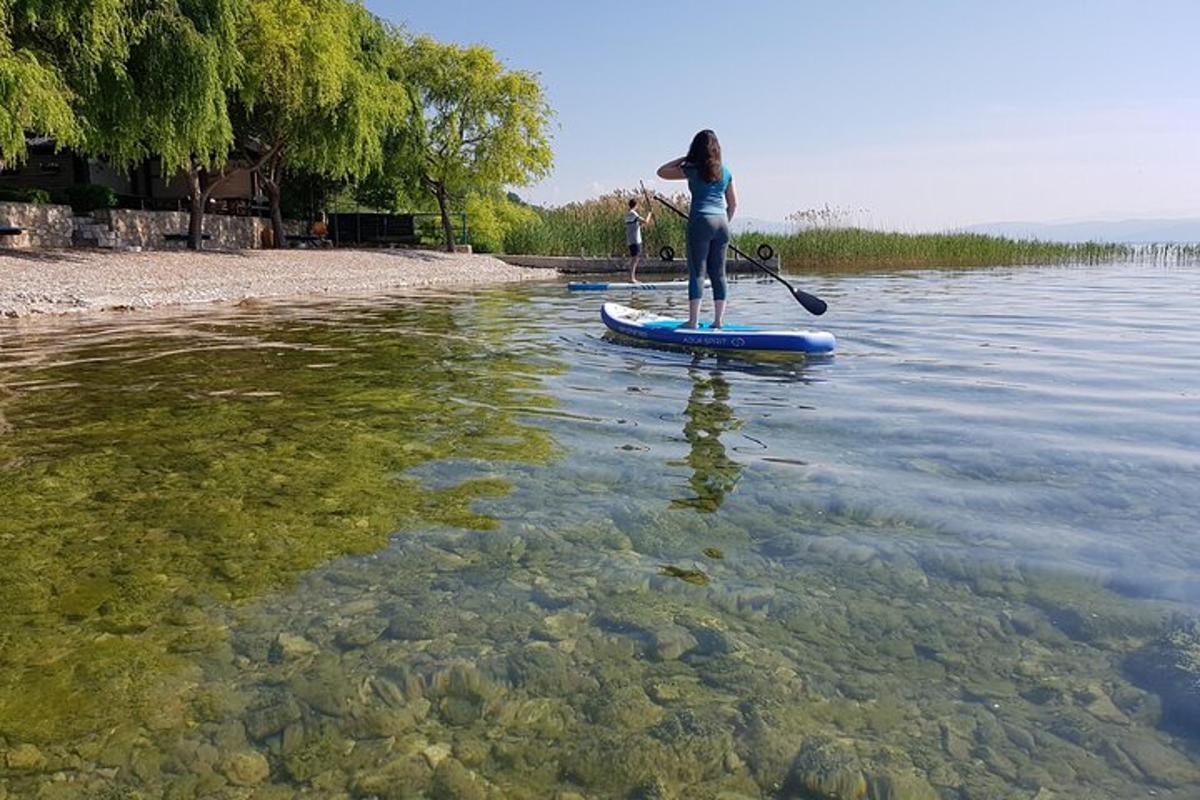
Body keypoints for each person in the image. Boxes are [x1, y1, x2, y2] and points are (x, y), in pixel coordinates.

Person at [656, 129, 737, 328]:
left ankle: (693, 322)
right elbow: (733, 204)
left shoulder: (692, 168)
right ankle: (718, 322)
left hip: (700, 220)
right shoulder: (726, 172)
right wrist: (723, 222)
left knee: (697, 273)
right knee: (719, 274)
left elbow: (662, 171)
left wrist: (687, 157)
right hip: (722, 223)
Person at [624, 197, 652, 282]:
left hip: (630, 239)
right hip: (635, 240)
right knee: (635, 258)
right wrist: (649, 214)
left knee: (635, 258)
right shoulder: (634, 214)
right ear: (636, 205)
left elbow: (635, 226)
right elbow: (646, 221)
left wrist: (640, 225)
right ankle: (632, 278)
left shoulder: (627, 214)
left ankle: (632, 277)